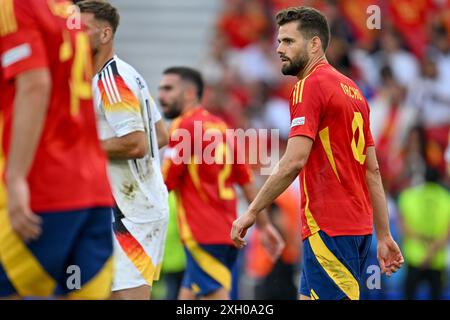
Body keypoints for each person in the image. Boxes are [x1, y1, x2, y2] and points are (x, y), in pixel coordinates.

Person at [231, 6, 404, 300]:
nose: (279, 49)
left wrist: (251, 211)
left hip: (329, 226)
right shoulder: (353, 90)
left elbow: (294, 160)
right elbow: (372, 170)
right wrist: (383, 234)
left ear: (314, 44)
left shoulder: (308, 86)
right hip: (356, 229)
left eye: (288, 41)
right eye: (278, 41)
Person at [0, 0, 114, 299]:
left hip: (44, 186)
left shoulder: (15, 6)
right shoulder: (67, 9)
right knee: (78, 290)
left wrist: (15, 178)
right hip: (92, 189)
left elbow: (35, 84)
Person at [159, 66, 284, 300]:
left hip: (202, 233)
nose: (161, 96)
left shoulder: (183, 127)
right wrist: (264, 225)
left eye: (168, 89)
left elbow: (166, 182)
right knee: (187, 295)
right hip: (228, 230)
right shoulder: (222, 128)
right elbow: (246, 180)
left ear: (188, 93)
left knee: (216, 297)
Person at [77, 1, 169, 300]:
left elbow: (137, 142)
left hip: (133, 213)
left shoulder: (112, 81)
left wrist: (81, 149)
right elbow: (161, 134)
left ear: (105, 35)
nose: (73, 33)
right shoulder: (122, 75)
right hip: (118, 206)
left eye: (82, 28)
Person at [398, 166, 450, 300]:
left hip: (415, 257)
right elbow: (447, 233)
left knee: (409, 295)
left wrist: (422, 243)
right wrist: (432, 251)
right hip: (436, 259)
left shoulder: (408, 196)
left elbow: (404, 228)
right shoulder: (447, 199)